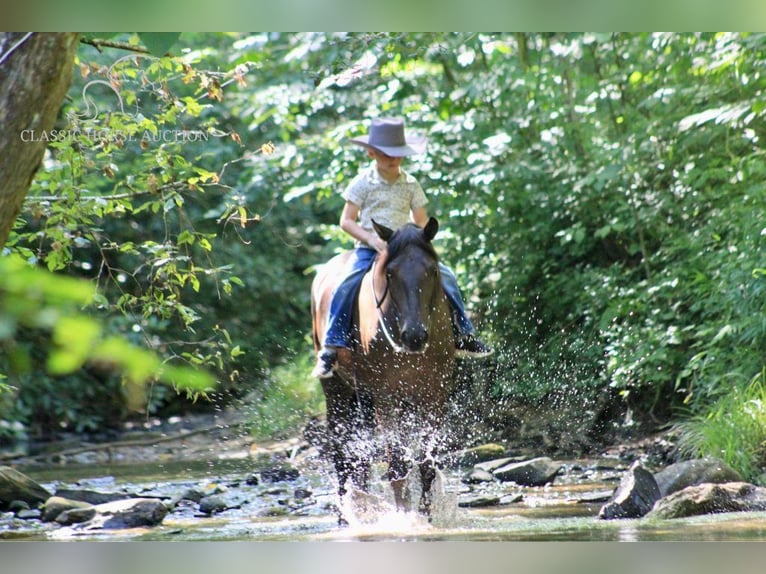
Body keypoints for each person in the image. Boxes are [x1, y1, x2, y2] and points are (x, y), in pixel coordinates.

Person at [312, 117, 492, 379]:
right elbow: (346, 221)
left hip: (405, 249)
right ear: (371, 152)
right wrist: (372, 239)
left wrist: (417, 237)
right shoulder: (362, 183)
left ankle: (464, 333)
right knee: (347, 283)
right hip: (370, 247)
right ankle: (331, 345)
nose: (392, 159)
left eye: (397, 154)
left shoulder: (410, 183)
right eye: (386, 154)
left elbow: (420, 219)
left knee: (447, 277)